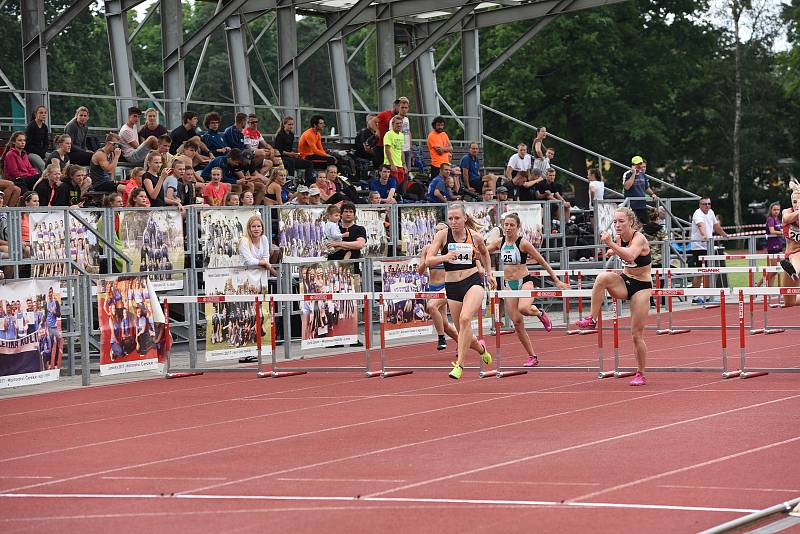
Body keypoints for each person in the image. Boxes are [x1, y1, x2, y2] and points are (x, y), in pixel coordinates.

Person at [576, 207, 652, 386]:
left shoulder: (639, 238)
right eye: (615, 221)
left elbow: (631, 254)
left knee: (636, 334)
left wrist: (611, 246)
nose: (617, 225)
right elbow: (621, 253)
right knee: (602, 277)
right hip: (625, 281)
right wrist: (613, 249)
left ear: (631, 222)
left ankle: (640, 373)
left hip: (641, 286)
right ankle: (592, 319)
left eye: (621, 221)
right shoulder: (619, 238)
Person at [487, 212, 567, 367]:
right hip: (509, 285)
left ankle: (539, 312)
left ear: (518, 227)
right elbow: (483, 251)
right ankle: (532, 356)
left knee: (524, 308)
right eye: (506, 225)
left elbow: (542, 261)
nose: (508, 228)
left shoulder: (523, 243)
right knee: (517, 323)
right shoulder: (499, 242)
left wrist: (557, 281)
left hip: (524, 281)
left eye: (512, 225)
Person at [426, 202, 495, 379]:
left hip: (472, 281)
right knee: (463, 332)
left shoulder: (475, 236)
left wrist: (489, 273)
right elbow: (429, 261)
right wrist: (445, 257)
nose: (454, 222)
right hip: (452, 286)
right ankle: (482, 349)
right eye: (450, 218)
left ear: (465, 218)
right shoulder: (442, 236)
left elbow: (485, 253)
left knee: (465, 319)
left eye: (457, 218)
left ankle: (460, 365)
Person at [418, 222, 459, 350]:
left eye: (442, 230)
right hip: (433, 287)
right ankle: (464, 342)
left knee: (431, 306)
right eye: (436, 230)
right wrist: (426, 262)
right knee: (445, 324)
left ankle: (441, 337)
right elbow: (420, 271)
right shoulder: (428, 249)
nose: (438, 232)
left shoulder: (451, 248)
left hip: (447, 285)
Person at [689, 196, 729, 302]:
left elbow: (716, 226)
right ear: (700, 205)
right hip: (699, 247)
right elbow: (701, 225)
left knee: (709, 271)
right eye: (705, 204)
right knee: (700, 272)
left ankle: (708, 295)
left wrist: (725, 235)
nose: (707, 206)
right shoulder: (697, 213)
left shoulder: (711, 212)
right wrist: (704, 235)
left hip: (709, 246)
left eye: (709, 204)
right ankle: (695, 297)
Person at [779, 179, 800, 307]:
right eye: (794, 202)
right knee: (789, 302)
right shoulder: (787, 212)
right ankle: (793, 272)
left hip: (797, 256)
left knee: (796, 256)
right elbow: (786, 219)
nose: (797, 204)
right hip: (788, 256)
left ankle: (795, 271)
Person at [274, 116, 314, 181]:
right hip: (281, 157)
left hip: (289, 156)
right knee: (291, 161)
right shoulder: (280, 135)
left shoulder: (291, 135)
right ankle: (290, 181)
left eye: (292, 124)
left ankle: (308, 181)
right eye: (289, 124)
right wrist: (290, 154)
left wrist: (294, 154)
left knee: (309, 163)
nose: (291, 126)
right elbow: (279, 150)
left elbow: (289, 148)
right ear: (284, 124)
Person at [623, 156, 657, 225]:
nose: (639, 166)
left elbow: (646, 188)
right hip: (631, 205)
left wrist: (652, 194)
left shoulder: (643, 175)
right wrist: (633, 174)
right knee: (632, 225)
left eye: (640, 164)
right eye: (637, 164)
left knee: (646, 225)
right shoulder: (627, 174)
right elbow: (627, 187)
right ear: (633, 165)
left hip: (642, 204)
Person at [24, 105, 49, 171]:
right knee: (42, 165)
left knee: (55, 158)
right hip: (31, 153)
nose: (43, 115)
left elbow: (46, 143)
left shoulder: (44, 127)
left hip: (41, 152)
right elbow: (27, 145)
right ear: (36, 114)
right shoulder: (31, 126)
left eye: (45, 113)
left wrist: (43, 152)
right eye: (41, 113)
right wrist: (40, 153)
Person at [383, 115, 406, 186]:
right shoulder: (389, 134)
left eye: (400, 123)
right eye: (397, 123)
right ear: (392, 124)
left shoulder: (402, 135)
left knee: (399, 186)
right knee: (392, 186)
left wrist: (404, 164)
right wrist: (392, 164)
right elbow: (387, 150)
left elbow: (401, 151)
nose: (399, 125)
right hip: (390, 165)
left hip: (399, 165)